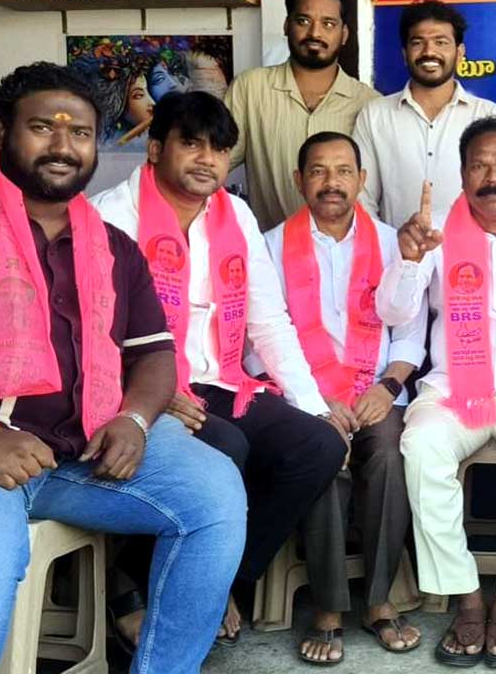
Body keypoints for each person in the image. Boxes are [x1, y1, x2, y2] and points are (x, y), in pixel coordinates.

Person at [0, 62, 246, 673]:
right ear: (1, 132)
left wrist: (135, 420)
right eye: (41, 128)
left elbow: (154, 353)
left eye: (79, 132)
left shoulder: (111, 244)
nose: (62, 146)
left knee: (215, 491)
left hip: (75, 449)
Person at [92, 91, 347, 647]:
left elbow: (268, 320)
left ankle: (220, 576)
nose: (208, 159)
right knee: (226, 447)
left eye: (220, 148)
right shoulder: (109, 216)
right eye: (192, 144)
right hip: (141, 389)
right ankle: (134, 583)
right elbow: (92, 333)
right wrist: (148, 395)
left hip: (222, 379)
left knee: (318, 445)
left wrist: (314, 407)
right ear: (155, 149)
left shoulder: (237, 215)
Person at [376, 117, 496, 667]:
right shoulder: (433, 231)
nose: (493, 177)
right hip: (454, 391)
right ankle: (465, 596)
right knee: (420, 446)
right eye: (480, 165)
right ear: (462, 174)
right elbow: (394, 313)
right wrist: (409, 261)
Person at [261, 131, 428, 664]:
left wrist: (388, 386)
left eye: (342, 171)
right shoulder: (269, 246)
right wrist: (311, 399)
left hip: (377, 391)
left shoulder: (393, 243)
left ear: (362, 179)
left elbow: (411, 334)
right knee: (323, 454)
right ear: (298, 180)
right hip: (305, 396)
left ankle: (378, 601)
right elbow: (256, 343)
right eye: (318, 171)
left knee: (388, 455)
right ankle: (329, 609)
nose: (331, 182)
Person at [226, 0, 379, 230]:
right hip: (271, 251)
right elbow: (213, 164)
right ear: (287, 25)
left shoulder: (369, 104)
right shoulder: (250, 89)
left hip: (350, 251)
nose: (315, 33)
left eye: (328, 23)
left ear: (344, 34)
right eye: (303, 21)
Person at [355, 0, 496, 228]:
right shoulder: (375, 116)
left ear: (460, 52)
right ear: (404, 53)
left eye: (440, 42)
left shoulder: (488, 116)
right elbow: (362, 198)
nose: (429, 52)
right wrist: (388, 244)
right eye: (418, 43)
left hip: (470, 249)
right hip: (395, 248)